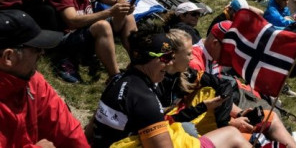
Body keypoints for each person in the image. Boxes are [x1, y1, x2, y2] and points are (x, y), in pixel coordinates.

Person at [92, 27, 249, 148]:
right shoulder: (145, 99)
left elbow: (92, 130)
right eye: (166, 58)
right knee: (231, 135)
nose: (169, 64)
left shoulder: (117, 80)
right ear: (147, 58)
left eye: (172, 58)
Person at [160, 29, 296, 148]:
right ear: (173, 56)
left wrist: (239, 115)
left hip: (208, 119)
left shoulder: (186, 71)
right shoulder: (165, 79)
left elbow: (222, 87)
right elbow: (168, 119)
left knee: (269, 117)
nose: (232, 53)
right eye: (229, 47)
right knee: (243, 134)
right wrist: (228, 121)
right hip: (191, 128)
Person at [0, 9, 90, 148]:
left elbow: (67, 130)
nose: (42, 53)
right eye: (36, 48)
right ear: (9, 57)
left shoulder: (32, 80)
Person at [49, 0, 137, 82]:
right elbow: (72, 21)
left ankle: (138, 62)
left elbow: (116, 0)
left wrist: (124, 5)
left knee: (127, 16)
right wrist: (109, 13)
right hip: (67, 40)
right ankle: (115, 77)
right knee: (102, 25)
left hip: (86, 33)